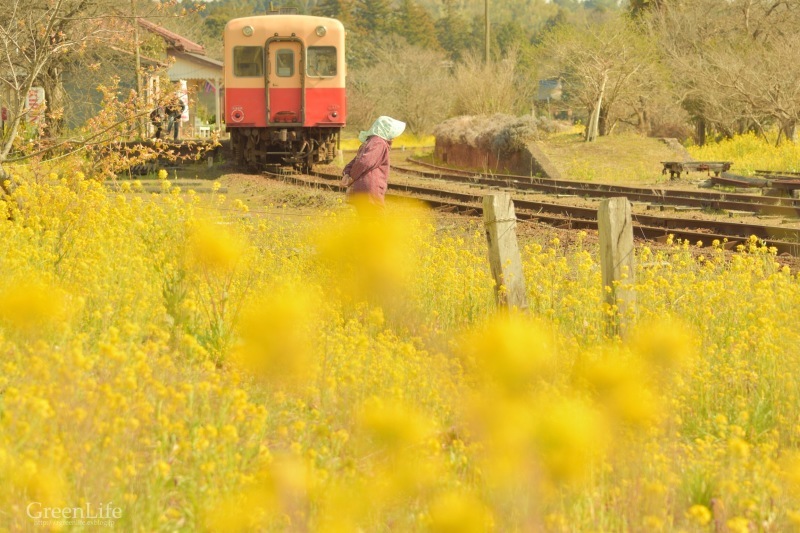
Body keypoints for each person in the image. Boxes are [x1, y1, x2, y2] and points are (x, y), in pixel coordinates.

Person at [341, 116, 406, 213]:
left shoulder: (371, 141)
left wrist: (347, 172)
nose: (395, 136)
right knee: (375, 221)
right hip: (370, 190)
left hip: (364, 189)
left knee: (366, 221)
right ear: (387, 131)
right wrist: (351, 177)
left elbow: (356, 160)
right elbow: (364, 162)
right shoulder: (379, 143)